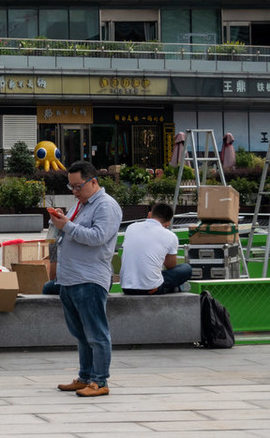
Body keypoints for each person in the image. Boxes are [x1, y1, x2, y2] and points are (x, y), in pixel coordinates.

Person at [48, 160, 122, 398]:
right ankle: (85, 377)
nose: (75, 192)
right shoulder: (80, 204)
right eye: (71, 187)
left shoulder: (106, 206)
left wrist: (67, 225)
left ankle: (100, 381)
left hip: (89, 278)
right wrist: (61, 220)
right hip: (70, 278)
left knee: (96, 333)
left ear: (93, 181)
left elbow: (98, 237)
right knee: (80, 333)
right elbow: (70, 230)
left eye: (78, 186)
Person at [120, 203, 192, 295]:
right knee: (186, 268)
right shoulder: (170, 236)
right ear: (167, 224)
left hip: (127, 287)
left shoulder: (131, 228)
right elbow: (170, 266)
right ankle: (168, 287)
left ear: (149, 214)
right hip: (151, 288)